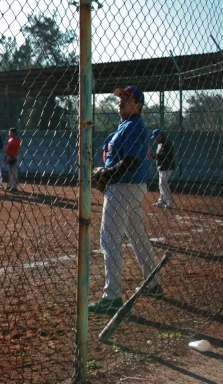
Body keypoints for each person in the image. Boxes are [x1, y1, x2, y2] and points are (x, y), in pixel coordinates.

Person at [89, 86, 163, 314]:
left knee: (109, 239)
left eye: (127, 98)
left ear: (137, 106)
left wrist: (107, 174)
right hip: (129, 187)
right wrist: (107, 173)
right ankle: (153, 282)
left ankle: (112, 297)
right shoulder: (125, 126)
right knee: (137, 236)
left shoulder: (133, 126)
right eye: (121, 97)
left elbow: (131, 161)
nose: (121, 101)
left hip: (124, 187)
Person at [150, 129, 176, 208]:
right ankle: (162, 200)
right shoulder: (160, 144)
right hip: (162, 167)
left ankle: (170, 201)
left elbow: (164, 156)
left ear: (160, 136)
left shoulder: (166, 143)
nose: (155, 139)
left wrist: (153, 155)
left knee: (162, 183)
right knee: (161, 184)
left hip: (167, 167)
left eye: (156, 137)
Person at [5, 127, 21, 192]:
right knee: (12, 171)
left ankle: (13, 186)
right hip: (12, 155)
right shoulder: (14, 139)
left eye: (10, 132)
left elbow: (13, 149)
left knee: (13, 172)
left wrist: (10, 157)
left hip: (13, 156)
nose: (9, 134)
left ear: (13, 133)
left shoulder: (14, 139)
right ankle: (11, 185)